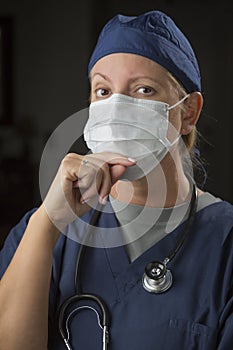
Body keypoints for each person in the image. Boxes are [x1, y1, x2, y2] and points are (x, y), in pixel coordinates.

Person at [0, 10, 233, 350]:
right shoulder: (43, 231)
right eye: (104, 90)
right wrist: (47, 223)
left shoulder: (224, 242)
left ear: (188, 113)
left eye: (144, 89)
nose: (119, 105)